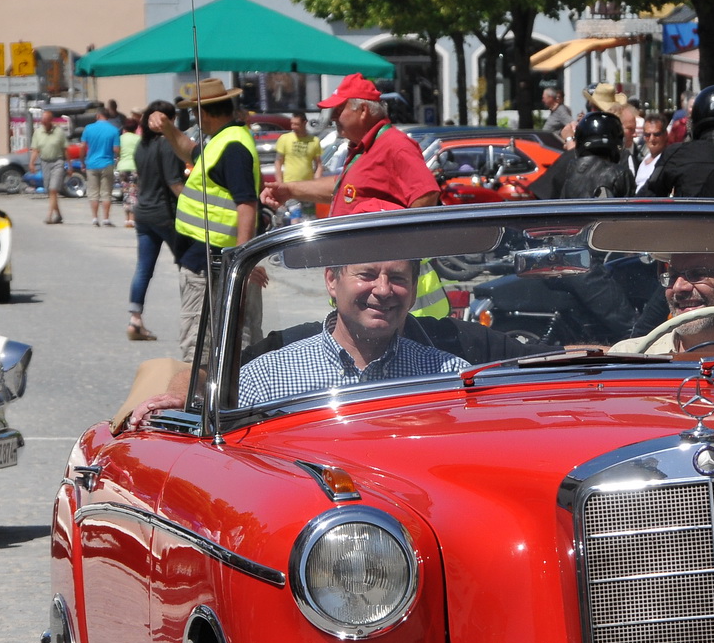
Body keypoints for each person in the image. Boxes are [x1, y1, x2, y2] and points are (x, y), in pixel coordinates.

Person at [237, 260, 470, 408]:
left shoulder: (450, 379)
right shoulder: (264, 381)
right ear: (331, 280)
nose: (383, 289)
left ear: (414, 289)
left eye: (397, 278)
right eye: (367, 275)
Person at [152, 78, 262, 361]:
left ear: (205, 112)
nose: (195, 118)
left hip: (215, 264)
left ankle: (202, 405)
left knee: (205, 351)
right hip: (211, 260)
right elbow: (188, 149)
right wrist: (167, 128)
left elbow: (246, 202)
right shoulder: (223, 140)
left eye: (195, 111)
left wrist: (242, 259)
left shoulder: (232, 147)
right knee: (231, 347)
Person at [264, 74, 438, 217]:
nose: (332, 118)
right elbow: (345, 188)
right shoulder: (365, 145)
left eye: (338, 110)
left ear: (363, 111)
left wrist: (400, 248)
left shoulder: (395, 144)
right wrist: (289, 190)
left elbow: (426, 194)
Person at [126, 99, 185, 342]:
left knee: (144, 269)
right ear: (169, 121)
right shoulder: (168, 145)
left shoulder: (143, 145)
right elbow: (174, 184)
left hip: (143, 213)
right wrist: (198, 205)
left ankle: (135, 319)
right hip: (166, 215)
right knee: (190, 265)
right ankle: (198, 315)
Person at [534, 111, 634, 199]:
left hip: (571, 220)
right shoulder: (621, 174)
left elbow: (543, 199)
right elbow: (630, 215)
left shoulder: (567, 166)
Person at [272, 111, 323, 223]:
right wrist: (279, 182)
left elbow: (319, 164)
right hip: (290, 186)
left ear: (304, 123)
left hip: (308, 188)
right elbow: (278, 162)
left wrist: (317, 182)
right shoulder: (284, 139)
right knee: (295, 218)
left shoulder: (314, 141)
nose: (293, 127)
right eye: (292, 124)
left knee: (309, 219)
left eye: (296, 124)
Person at [81, 107, 121, 227]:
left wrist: (82, 161)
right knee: (106, 193)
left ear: (98, 115)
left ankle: (94, 218)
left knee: (93, 192)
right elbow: (116, 149)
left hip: (91, 164)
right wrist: (116, 158)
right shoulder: (114, 130)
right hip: (107, 163)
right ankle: (106, 219)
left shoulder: (88, 128)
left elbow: (83, 147)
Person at [29, 111, 69, 224]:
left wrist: (69, 166)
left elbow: (65, 149)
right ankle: (59, 215)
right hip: (45, 162)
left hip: (58, 161)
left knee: (53, 189)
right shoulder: (38, 132)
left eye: (46, 119)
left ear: (51, 120)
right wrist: (31, 163)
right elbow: (35, 150)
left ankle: (49, 216)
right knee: (50, 191)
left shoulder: (59, 132)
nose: (44, 121)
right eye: (43, 119)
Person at [634, 112, 670, 193]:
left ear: (665, 135)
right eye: (647, 134)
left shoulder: (669, 160)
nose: (651, 139)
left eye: (656, 134)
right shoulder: (643, 160)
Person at [115, 115, 140, 229]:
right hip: (135, 167)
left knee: (125, 193)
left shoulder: (120, 138)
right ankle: (133, 219)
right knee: (134, 193)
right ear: (135, 128)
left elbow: (117, 151)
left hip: (123, 167)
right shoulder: (138, 139)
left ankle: (126, 219)